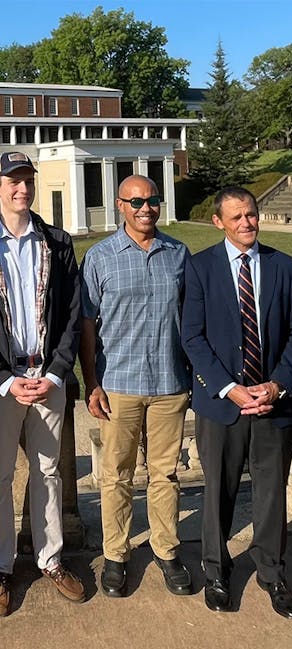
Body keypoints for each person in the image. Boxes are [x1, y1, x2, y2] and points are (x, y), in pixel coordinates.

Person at [181, 187, 292, 618]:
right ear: (219, 222)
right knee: (219, 489)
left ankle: (272, 572)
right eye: (235, 218)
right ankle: (217, 570)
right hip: (222, 404)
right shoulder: (200, 268)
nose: (246, 224)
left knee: (271, 492)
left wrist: (276, 386)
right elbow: (192, 338)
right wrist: (228, 389)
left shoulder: (284, 266)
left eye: (251, 215)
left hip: (273, 402)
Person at [80, 174, 193, 599]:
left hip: (168, 382)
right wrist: (91, 382)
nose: (146, 208)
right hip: (118, 384)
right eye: (137, 201)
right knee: (116, 475)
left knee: (165, 474)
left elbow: (191, 321)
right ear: (120, 206)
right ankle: (117, 553)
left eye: (153, 200)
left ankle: (166, 549)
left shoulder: (178, 255)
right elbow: (87, 326)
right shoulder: (100, 257)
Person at [0, 151, 84, 615]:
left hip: (49, 378)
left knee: (48, 472)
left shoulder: (56, 241)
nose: (22, 189)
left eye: (27, 180)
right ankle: (1, 565)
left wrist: (54, 372)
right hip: (2, 383)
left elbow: (73, 315)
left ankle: (50, 558)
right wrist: (6, 380)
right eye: (13, 180)